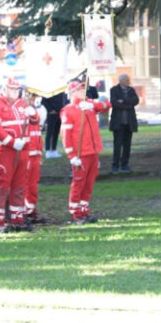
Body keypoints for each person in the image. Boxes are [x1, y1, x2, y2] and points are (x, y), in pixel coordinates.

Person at [0, 76, 39, 232]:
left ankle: (18, 218)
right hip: (5, 151)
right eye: (12, 89)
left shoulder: (23, 104)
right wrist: (11, 141)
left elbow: (36, 122)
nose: (16, 92)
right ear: (4, 89)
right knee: (2, 185)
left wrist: (33, 114)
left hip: (23, 150)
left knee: (20, 185)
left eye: (17, 89)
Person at [60, 80, 112, 224]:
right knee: (78, 183)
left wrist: (92, 104)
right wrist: (71, 155)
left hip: (93, 151)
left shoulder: (89, 105)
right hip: (80, 154)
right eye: (80, 90)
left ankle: (84, 211)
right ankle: (75, 213)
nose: (83, 92)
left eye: (83, 89)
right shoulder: (68, 110)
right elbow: (66, 135)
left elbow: (107, 105)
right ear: (72, 93)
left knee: (89, 184)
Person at [23, 90, 48, 224]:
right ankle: (22, 212)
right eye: (31, 97)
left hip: (35, 153)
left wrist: (40, 152)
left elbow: (38, 133)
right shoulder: (20, 111)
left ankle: (31, 210)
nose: (33, 100)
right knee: (25, 184)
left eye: (34, 97)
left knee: (33, 185)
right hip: (26, 152)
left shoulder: (34, 111)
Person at [109, 74, 139, 174]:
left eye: (128, 80)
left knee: (127, 145)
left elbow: (136, 100)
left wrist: (123, 101)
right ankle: (115, 165)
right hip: (118, 123)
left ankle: (124, 165)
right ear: (121, 81)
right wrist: (128, 105)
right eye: (126, 80)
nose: (128, 82)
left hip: (129, 123)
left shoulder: (131, 90)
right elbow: (114, 103)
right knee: (117, 145)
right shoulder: (114, 90)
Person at [42, 93, 65, 159]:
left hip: (59, 113)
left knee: (56, 133)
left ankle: (54, 150)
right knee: (49, 132)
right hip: (52, 114)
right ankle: (48, 151)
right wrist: (50, 110)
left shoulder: (61, 91)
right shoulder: (50, 91)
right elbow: (43, 101)